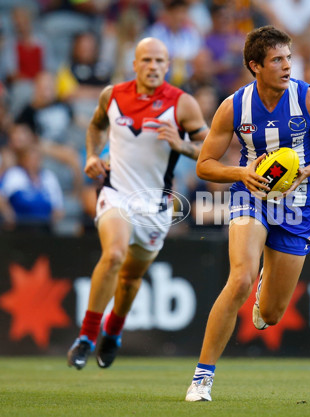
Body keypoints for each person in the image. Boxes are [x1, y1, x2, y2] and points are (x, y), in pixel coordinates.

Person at [185, 26, 310, 402]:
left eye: (289, 58)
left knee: (273, 314)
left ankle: (266, 290)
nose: (287, 66)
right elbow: (205, 164)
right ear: (255, 66)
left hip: (299, 206)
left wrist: (305, 171)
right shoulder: (234, 106)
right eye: (277, 60)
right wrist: (241, 173)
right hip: (251, 195)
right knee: (240, 278)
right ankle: (202, 378)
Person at [66, 37, 209, 370]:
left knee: (130, 279)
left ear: (168, 66)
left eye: (160, 61)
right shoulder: (112, 95)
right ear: (135, 64)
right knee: (114, 253)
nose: (153, 66)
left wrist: (182, 145)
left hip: (155, 208)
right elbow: (96, 125)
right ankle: (86, 337)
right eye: (146, 60)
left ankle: (113, 331)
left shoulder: (182, 104)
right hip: (116, 192)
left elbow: (211, 151)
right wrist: (91, 155)